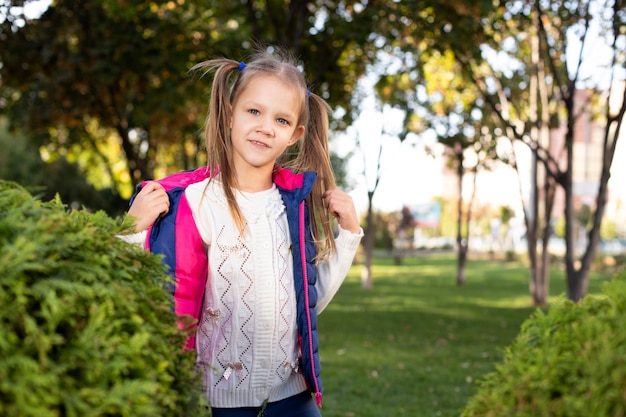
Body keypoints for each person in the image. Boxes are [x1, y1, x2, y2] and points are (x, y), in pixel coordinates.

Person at [123, 48, 363, 417]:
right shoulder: (193, 202)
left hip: (292, 396)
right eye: (254, 111)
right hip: (218, 400)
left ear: (295, 134)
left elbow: (308, 300)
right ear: (230, 112)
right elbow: (150, 288)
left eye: (281, 120)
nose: (266, 127)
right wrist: (132, 229)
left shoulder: (294, 206)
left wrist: (347, 233)